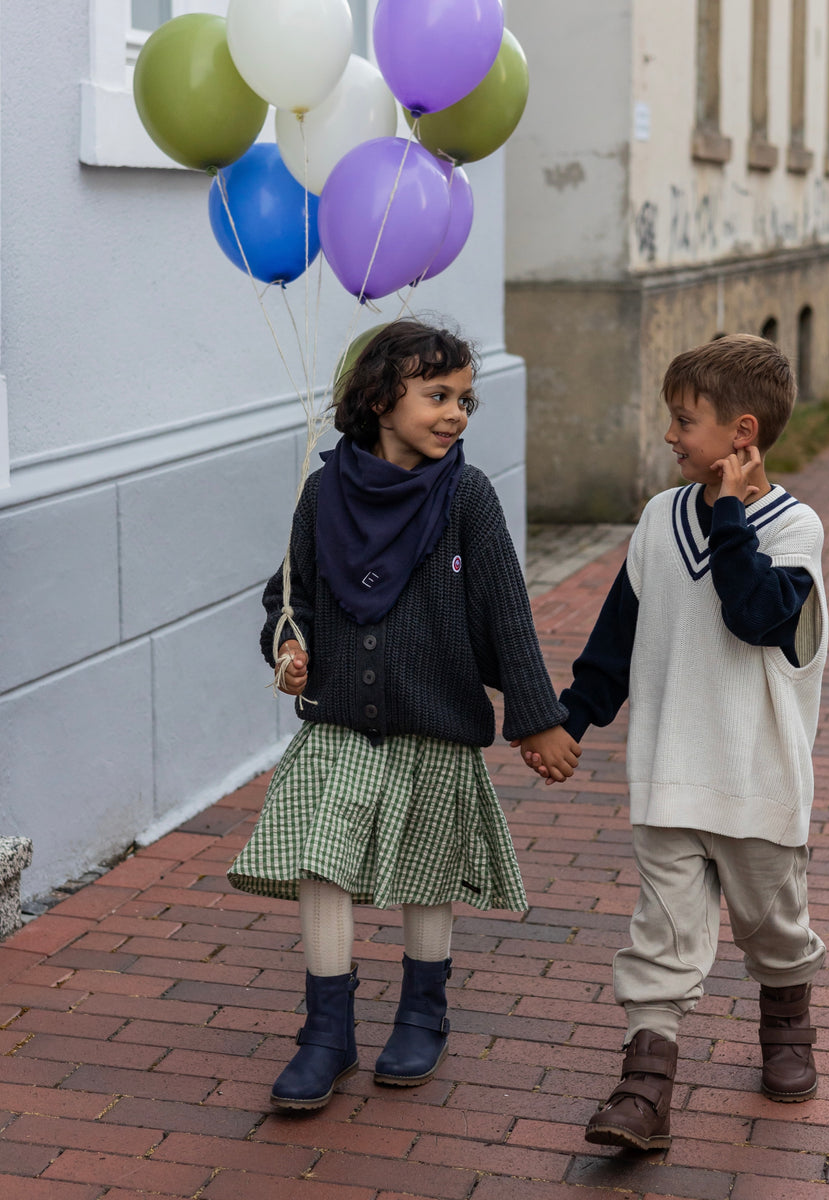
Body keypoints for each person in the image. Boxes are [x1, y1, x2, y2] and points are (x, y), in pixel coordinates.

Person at [229, 319, 581, 1112]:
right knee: (322, 861)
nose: (456, 412)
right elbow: (292, 598)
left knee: (427, 871)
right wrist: (288, 648)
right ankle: (327, 1033)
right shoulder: (323, 492)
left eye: (465, 399)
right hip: (342, 721)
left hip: (436, 722)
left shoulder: (468, 496)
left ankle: (423, 1011)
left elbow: (507, 616)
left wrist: (537, 718)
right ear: (382, 398)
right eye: (437, 395)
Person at [533, 333, 828, 1150]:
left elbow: (755, 613)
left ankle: (787, 1027)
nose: (670, 435)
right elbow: (617, 637)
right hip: (667, 772)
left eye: (684, 421)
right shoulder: (660, 519)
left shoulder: (798, 531)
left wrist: (731, 513)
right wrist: (572, 715)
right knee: (660, 937)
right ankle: (644, 1088)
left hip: (758, 782)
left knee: (773, 930)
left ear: (741, 433)